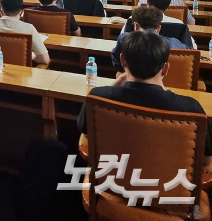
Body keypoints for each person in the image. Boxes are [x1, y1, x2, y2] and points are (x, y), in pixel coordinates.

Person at [78, 31, 212, 165]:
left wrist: (115, 83)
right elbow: (205, 160)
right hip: (171, 184)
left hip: (113, 181)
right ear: (165, 69)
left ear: (122, 60)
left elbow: (88, 135)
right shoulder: (191, 108)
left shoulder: (97, 98)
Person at [110, 6, 189, 72]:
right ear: (159, 28)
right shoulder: (174, 43)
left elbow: (117, 63)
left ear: (136, 26)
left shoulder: (124, 39)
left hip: (130, 82)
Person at [0, 0, 50, 66]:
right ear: (21, 12)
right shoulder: (29, 28)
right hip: (21, 74)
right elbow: (45, 60)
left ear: (1, 12)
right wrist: (31, 55)